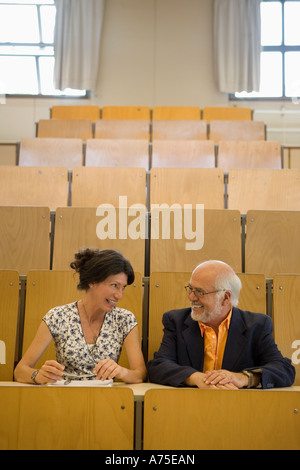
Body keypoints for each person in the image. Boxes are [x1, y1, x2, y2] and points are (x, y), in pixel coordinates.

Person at [147, 260, 295, 389]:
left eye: (199, 292)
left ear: (225, 297)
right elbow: (158, 366)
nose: (191, 297)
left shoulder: (257, 325)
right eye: (190, 289)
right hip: (188, 407)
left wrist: (242, 378)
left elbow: (283, 369)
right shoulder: (176, 321)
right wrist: (197, 378)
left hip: (239, 409)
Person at [14, 248, 147, 385]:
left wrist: (121, 372)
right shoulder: (58, 316)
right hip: (63, 398)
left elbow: (140, 374)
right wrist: (38, 375)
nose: (119, 295)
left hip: (106, 400)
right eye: (114, 285)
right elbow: (20, 371)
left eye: (123, 287)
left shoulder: (124, 319)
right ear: (92, 282)